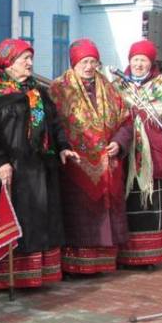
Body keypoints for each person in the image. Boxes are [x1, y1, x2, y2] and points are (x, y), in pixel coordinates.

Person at [0, 39, 73, 289]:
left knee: (38, 219)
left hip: (39, 166)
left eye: (30, 58)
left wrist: (63, 147)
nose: (30, 63)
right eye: (24, 59)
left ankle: (33, 275)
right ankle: (2, 278)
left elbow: (54, 123)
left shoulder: (37, 90)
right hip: (9, 168)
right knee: (12, 218)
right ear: (8, 62)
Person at [50, 39, 131, 275]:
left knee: (104, 215)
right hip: (76, 164)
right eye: (84, 61)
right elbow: (54, 123)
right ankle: (76, 265)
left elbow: (126, 120)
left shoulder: (109, 87)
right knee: (78, 213)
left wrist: (119, 142)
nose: (88, 66)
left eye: (93, 61)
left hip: (108, 163)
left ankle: (102, 263)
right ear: (74, 63)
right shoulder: (59, 88)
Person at [114, 40, 162, 270]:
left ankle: (149, 257)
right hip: (126, 159)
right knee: (128, 207)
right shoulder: (117, 86)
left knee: (151, 206)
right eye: (135, 59)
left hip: (156, 160)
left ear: (151, 63)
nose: (138, 64)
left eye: (143, 60)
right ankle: (125, 256)